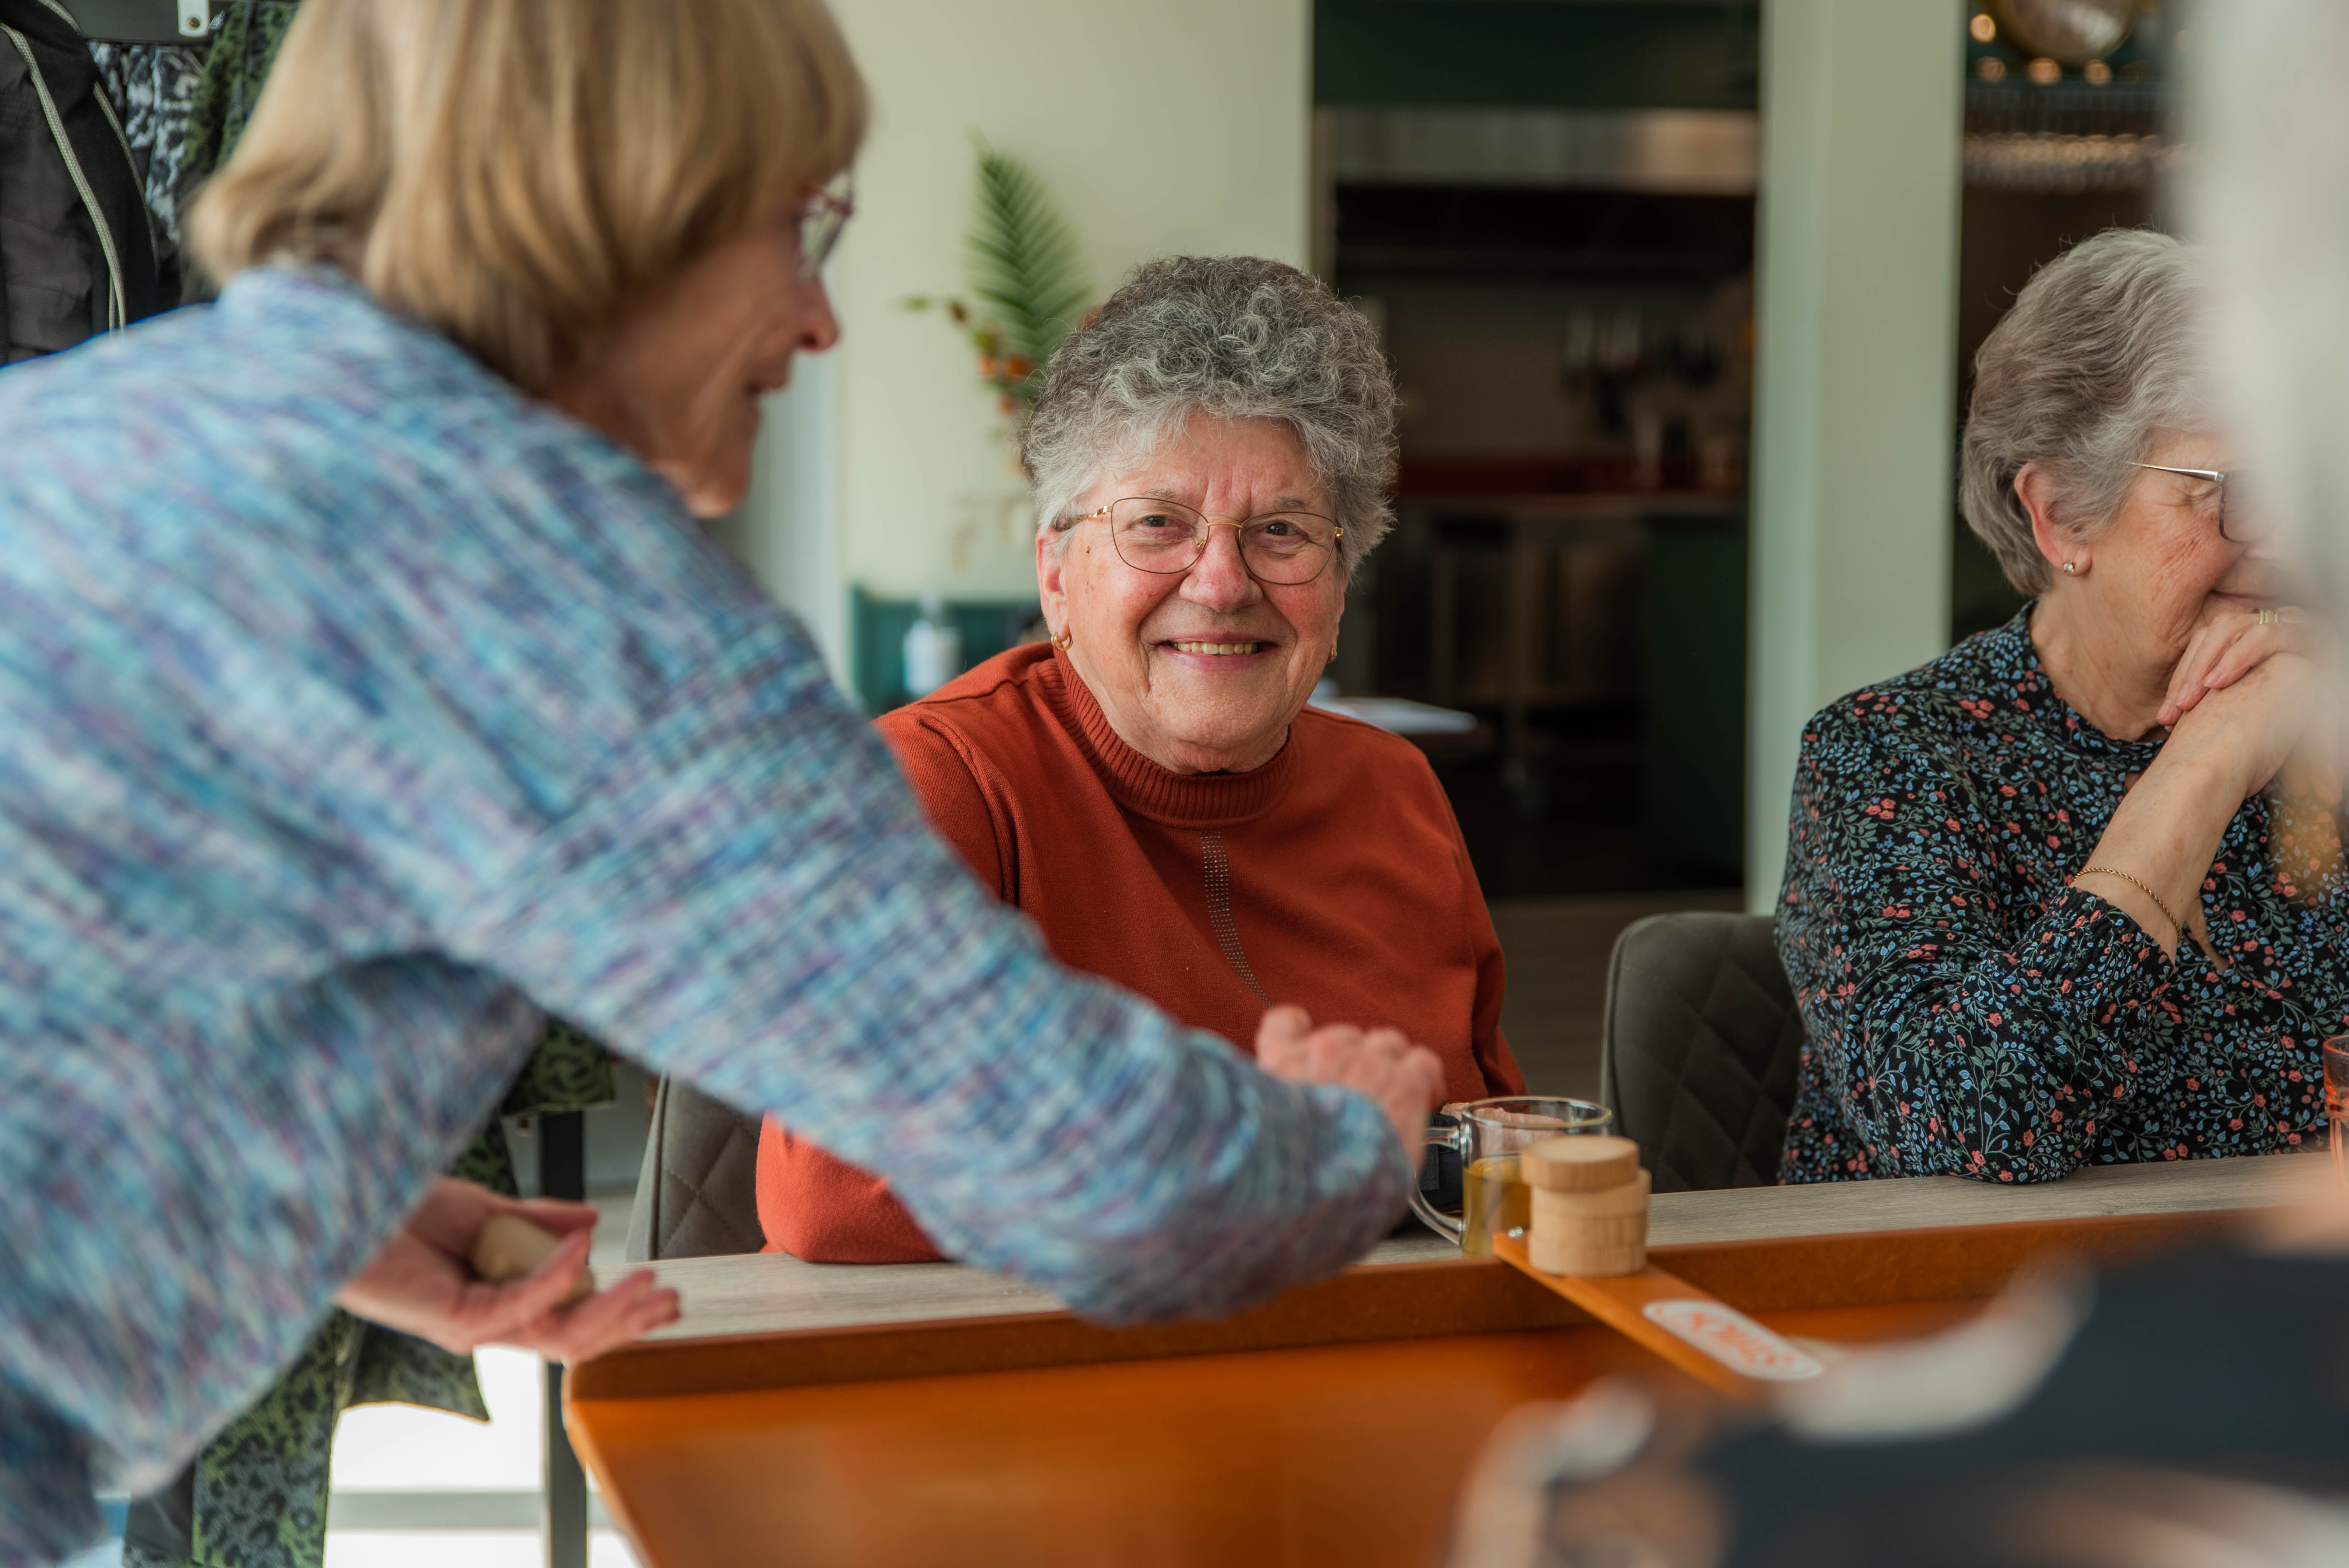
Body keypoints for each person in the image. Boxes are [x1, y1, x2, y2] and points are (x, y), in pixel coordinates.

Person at [0, 0, 1449, 1558]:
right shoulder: (554, 598)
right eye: (795, 225)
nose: (820, 320)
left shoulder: (94, 426)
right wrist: (1341, 1145)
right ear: (625, 206)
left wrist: (303, 1201)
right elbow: (1088, 1170)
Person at [759, 257, 1525, 1261]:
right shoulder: (933, 783)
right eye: (1157, 524)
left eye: (1282, 532)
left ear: (1341, 583)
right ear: (1057, 577)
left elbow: (1493, 1157)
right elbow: (839, 1192)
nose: (1220, 582)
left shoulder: (1396, 789)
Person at [1775, 228, 2349, 1184]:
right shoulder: (1892, 758)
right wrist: (2203, 766)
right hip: (1962, 1315)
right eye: (2238, 494)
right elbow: (1971, 1128)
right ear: (2059, 514)